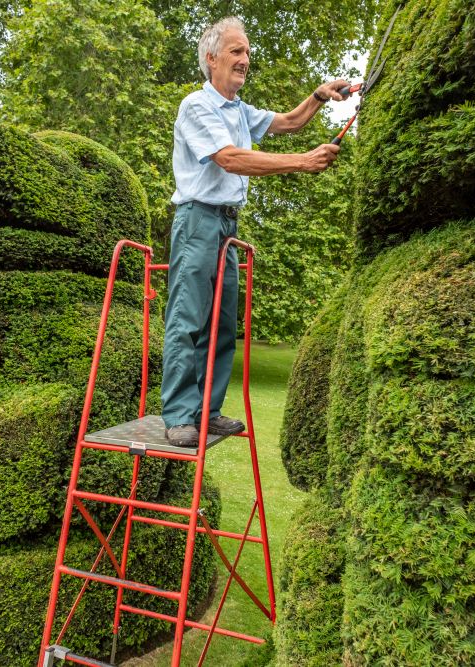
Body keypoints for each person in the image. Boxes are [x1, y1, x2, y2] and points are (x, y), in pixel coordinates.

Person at [162, 15, 350, 447]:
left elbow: (289, 122)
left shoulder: (239, 111)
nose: (246, 59)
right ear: (212, 59)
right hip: (197, 220)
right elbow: (229, 158)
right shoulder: (197, 105)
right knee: (188, 319)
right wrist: (302, 162)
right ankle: (178, 416)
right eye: (236, 51)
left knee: (223, 325)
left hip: (227, 225)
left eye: (247, 51)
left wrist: (320, 96)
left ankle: (207, 412)